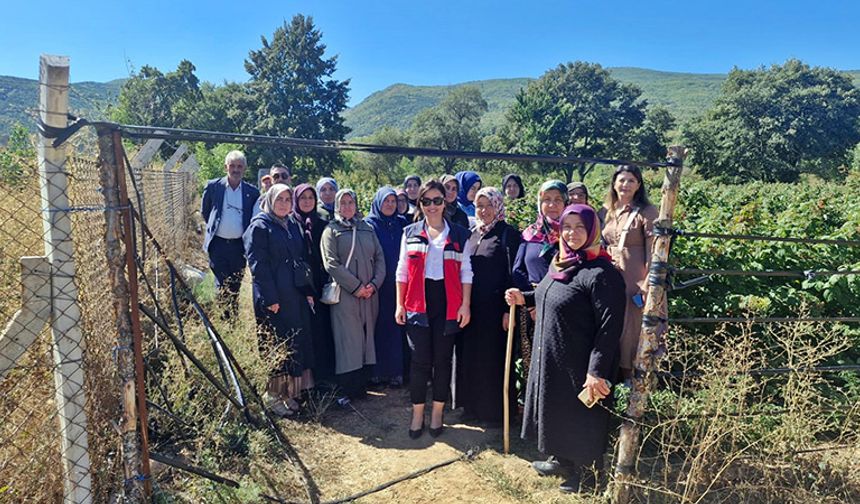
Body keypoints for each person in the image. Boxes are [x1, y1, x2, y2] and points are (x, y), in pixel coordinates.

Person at [505, 204, 626, 493]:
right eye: (567, 227)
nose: (572, 233)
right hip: (557, 355)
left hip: (582, 361)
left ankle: (590, 476)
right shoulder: (561, 262)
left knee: (583, 415)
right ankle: (562, 460)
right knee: (558, 408)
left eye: (580, 227)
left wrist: (596, 371)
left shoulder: (602, 273)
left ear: (593, 230)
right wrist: (525, 297)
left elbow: (610, 328)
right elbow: (552, 292)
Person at [395, 180, 473, 439]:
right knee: (419, 361)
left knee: (442, 361)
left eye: (437, 200)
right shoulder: (409, 232)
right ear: (420, 204)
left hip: (448, 303)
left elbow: (466, 272)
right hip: (418, 302)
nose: (432, 206)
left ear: (445, 202)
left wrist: (465, 305)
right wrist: (399, 304)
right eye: (426, 201)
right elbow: (402, 271)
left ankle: (438, 413)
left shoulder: (460, 234)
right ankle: (417, 413)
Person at [244, 184, 315, 417]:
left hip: (293, 293)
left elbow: (300, 258)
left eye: (287, 199)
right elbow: (258, 266)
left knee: (293, 341)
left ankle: (289, 394)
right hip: (273, 297)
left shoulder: (291, 224)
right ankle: (273, 396)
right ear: (270, 200)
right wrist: (270, 298)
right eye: (279, 199)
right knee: (275, 343)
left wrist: (306, 290)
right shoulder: (260, 226)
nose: (284, 204)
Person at [459, 187, 522, 425]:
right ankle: (472, 408)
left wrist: (508, 311)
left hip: (496, 310)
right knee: (472, 357)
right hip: (472, 308)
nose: (484, 211)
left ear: (498, 206)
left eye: (488, 206)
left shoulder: (507, 234)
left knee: (493, 359)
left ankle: (494, 413)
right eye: (479, 206)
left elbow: (513, 272)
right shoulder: (472, 234)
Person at [321, 189, 386, 402]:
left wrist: (374, 284)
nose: (347, 206)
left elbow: (380, 258)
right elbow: (331, 263)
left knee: (367, 337)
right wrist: (356, 287)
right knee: (348, 339)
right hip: (346, 294)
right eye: (343, 203)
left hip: (369, 294)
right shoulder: (331, 231)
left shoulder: (367, 228)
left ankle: (362, 386)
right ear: (337, 206)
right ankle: (348, 388)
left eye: (351, 202)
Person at [597, 165, 658, 378]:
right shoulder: (605, 212)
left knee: (634, 329)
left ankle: (635, 380)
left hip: (635, 280)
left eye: (631, 180)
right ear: (614, 183)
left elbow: (655, 251)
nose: (626, 185)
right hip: (611, 276)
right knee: (612, 324)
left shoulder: (647, 212)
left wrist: (648, 283)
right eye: (622, 180)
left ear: (638, 185)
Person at [201, 150, 260, 320]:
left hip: (238, 246)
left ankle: (232, 318)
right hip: (218, 244)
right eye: (232, 166)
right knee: (221, 282)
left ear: (244, 169)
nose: (236, 169)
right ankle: (224, 317)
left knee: (235, 283)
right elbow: (206, 211)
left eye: (239, 166)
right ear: (226, 167)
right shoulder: (213, 187)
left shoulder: (252, 192)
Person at [293, 183, 337, 386]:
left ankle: (326, 376)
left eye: (310, 197)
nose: (307, 201)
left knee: (323, 329)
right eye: (303, 198)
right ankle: (309, 381)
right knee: (307, 330)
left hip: (321, 283)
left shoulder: (322, 223)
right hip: (300, 286)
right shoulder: (291, 224)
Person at [364, 187, 408, 387]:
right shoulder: (369, 225)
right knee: (378, 326)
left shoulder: (402, 223)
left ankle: (396, 372)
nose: (390, 205)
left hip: (399, 283)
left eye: (393, 201)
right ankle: (377, 372)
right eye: (386, 201)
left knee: (397, 327)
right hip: (377, 284)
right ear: (378, 203)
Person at [512, 180, 570, 291]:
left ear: (566, 203)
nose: (552, 205)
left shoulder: (572, 235)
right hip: (533, 297)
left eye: (558, 200)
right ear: (540, 203)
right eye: (547, 199)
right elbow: (518, 270)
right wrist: (531, 295)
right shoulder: (529, 235)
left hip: (563, 297)